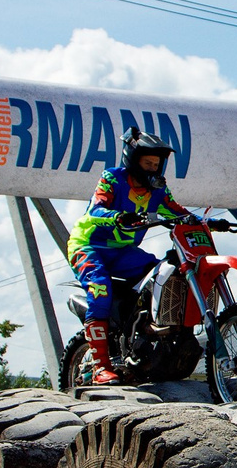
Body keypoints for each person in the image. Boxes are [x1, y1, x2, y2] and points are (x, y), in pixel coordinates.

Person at [68, 129, 191, 387]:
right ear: (133, 160)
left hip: (123, 252)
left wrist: (209, 222)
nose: (153, 169)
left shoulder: (158, 189)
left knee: (162, 274)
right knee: (100, 289)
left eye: (157, 165)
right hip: (89, 245)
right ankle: (101, 367)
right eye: (148, 163)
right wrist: (116, 216)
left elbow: (178, 212)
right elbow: (96, 209)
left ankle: (142, 333)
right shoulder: (112, 178)